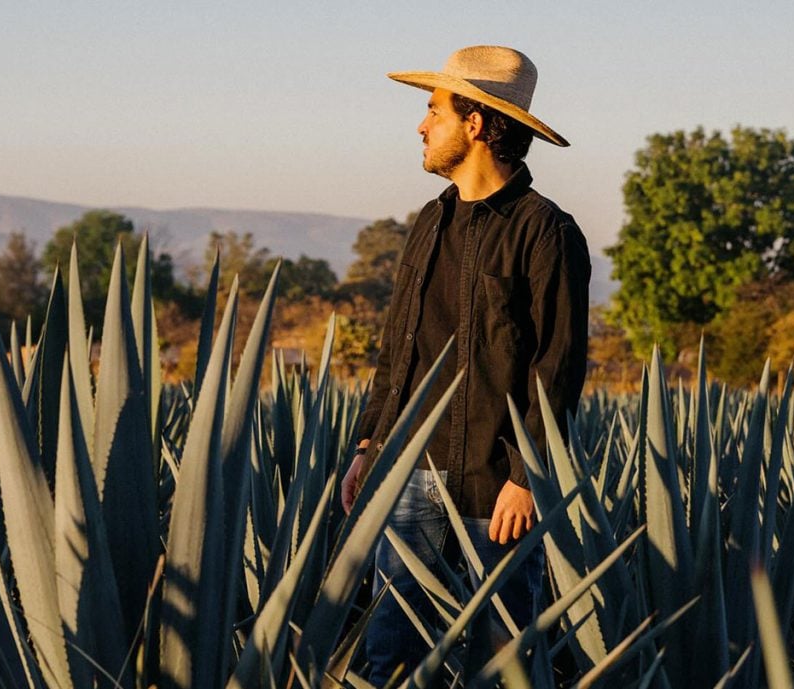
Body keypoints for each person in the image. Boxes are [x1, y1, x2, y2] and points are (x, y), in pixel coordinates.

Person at [340, 45, 590, 685]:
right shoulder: (429, 223)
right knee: (389, 655)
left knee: (501, 660)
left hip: (495, 488)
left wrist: (526, 477)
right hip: (408, 475)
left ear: (475, 123)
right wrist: (370, 443)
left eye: (434, 111)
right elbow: (400, 348)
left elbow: (556, 369)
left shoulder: (546, 232)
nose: (422, 126)